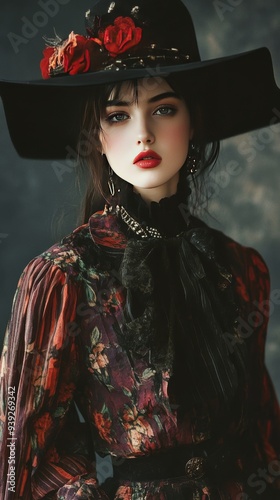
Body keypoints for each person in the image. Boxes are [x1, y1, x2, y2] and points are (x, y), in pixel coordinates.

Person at [0, 0, 280, 498]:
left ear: (193, 122)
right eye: (118, 114)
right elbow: (22, 457)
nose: (144, 132)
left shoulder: (239, 268)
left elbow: (264, 439)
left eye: (164, 108)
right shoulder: (63, 278)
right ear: (99, 137)